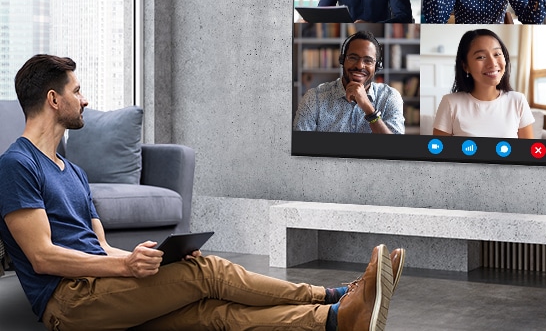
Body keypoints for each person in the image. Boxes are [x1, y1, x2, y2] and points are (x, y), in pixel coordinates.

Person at [0, 54, 406, 330]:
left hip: (104, 290)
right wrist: (127, 269)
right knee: (207, 271)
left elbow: (101, 246)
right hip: (70, 303)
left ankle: (335, 320)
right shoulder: (18, 164)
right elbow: (42, 257)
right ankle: (332, 294)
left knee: (214, 315)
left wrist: (150, 260)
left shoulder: (72, 170)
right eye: (76, 91)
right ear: (53, 100)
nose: (84, 99)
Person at [294, 30, 405, 133]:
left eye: (368, 60)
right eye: (353, 58)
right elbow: (298, 144)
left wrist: (369, 109)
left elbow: (396, 146)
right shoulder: (314, 98)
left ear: (377, 67)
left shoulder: (389, 97)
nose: (359, 66)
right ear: (342, 60)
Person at [433, 29, 535, 138]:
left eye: (497, 54)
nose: (492, 63)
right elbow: (439, 147)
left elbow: (527, 148)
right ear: (465, 66)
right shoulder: (450, 103)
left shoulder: (518, 101)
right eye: (481, 57)